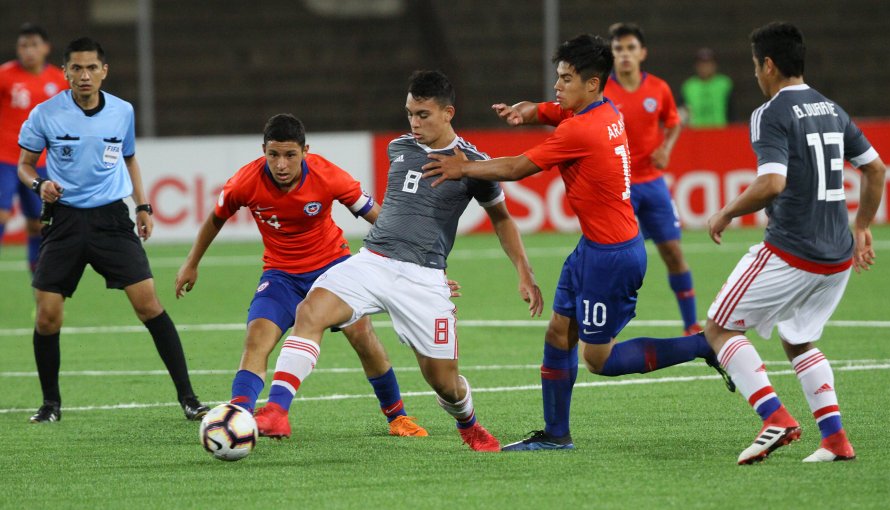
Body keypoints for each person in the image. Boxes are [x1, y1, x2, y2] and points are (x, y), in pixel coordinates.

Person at [424, 34, 732, 452]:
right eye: (557, 77)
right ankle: (555, 434)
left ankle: (704, 344)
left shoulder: (582, 131)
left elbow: (515, 168)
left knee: (597, 360)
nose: (557, 86)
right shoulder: (605, 110)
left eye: (566, 78)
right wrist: (530, 111)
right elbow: (554, 109)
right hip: (594, 247)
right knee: (558, 332)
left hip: (613, 257)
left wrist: (464, 168)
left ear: (591, 83)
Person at [252, 70, 544, 452]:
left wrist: (524, 271)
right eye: (410, 113)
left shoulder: (474, 163)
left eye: (423, 114)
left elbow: (502, 219)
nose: (414, 122)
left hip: (423, 280)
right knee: (311, 310)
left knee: (443, 381)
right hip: (372, 262)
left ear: (447, 113)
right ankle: (276, 410)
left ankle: (469, 424)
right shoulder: (398, 148)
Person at [175, 113, 427, 438]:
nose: (281, 164)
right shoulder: (244, 182)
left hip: (333, 269)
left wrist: (414, 259)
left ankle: (397, 417)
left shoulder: (328, 176)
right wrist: (191, 262)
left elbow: (376, 217)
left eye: (290, 155)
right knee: (256, 340)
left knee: (363, 337)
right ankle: (238, 418)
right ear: (263, 150)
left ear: (305, 151)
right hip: (280, 275)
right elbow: (215, 219)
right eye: (273, 155)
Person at [703, 22, 885, 464]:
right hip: (837, 254)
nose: (755, 75)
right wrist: (861, 226)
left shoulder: (771, 112)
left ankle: (775, 418)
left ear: (768, 64)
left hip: (792, 249)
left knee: (718, 328)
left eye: (754, 66)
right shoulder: (831, 108)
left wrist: (726, 211)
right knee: (798, 340)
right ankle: (835, 440)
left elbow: (771, 183)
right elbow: (876, 169)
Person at [17, 37, 208, 423]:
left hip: (111, 220)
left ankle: (188, 398)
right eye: (76, 68)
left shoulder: (122, 112)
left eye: (91, 68)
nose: (84, 75)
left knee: (149, 305)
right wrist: (40, 185)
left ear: (104, 71)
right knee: (47, 316)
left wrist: (142, 205)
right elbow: (24, 165)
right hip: (64, 219)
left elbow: (130, 158)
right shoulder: (44, 114)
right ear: (65, 72)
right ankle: (50, 404)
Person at [604, 22, 700, 336]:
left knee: (673, 252)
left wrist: (666, 148)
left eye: (631, 48)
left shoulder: (658, 89)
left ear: (642, 53)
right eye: (619, 49)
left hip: (654, 184)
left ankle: (691, 326)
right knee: (623, 262)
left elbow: (673, 123)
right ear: (613, 54)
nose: (625, 55)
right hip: (621, 187)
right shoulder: (603, 92)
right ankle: (609, 326)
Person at [0, 23, 67, 270]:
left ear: (46, 48)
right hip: (4, 159)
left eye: (34, 45)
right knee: (2, 215)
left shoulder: (58, 81)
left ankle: (41, 294)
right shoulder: (5, 75)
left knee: (38, 224)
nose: (28, 51)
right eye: (23, 45)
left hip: (39, 162)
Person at [680, 48, 733, 128]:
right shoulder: (689, 86)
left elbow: (731, 111)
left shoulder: (724, 84)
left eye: (708, 64)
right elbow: (683, 111)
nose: (705, 67)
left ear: (715, 65)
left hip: (720, 132)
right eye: (702, 64)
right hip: (695, 133)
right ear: (696, 66)